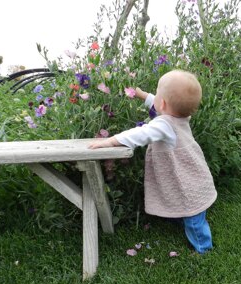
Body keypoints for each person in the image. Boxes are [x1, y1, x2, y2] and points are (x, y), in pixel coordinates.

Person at [88, 70, 217, 254]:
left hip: (186, 181)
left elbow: (141, 134)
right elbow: (161, 105)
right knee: (191, 209)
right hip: (194, 175)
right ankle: (183, 219)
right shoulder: (181, 116)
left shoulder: (164, 125)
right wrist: (142, 95)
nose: (155, 97)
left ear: (162, 103)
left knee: (194, 218)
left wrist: (111, 140)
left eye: (157, 94)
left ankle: (204, 249)